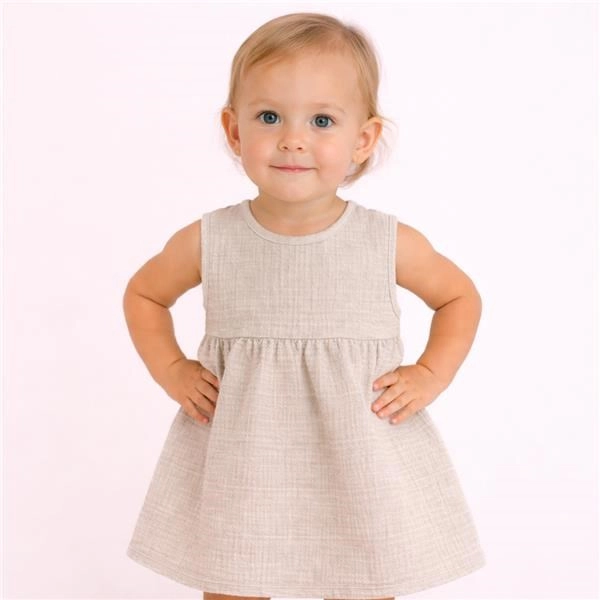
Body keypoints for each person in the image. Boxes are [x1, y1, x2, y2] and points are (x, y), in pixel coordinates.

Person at [123, 11, 486, 600]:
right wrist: (173, 369)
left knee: (364, 582)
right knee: (234, 582)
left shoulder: (386, 241)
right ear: (234, 130)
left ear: (362, 139)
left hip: (359, 455)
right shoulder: (211, 238)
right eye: (269, 117)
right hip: (246, 457)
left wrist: (429, 373)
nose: (293, 139)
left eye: (322, 120)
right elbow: (144, 294)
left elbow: (458, 296)